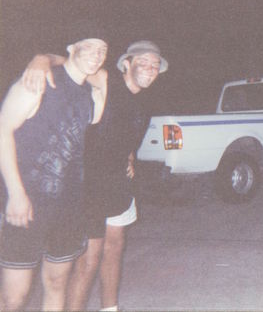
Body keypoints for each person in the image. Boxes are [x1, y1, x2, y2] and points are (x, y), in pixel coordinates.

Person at [23, 40, 168, 311]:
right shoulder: (106, 80)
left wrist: (129, 156)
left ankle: (109, 308)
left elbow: (126, 133)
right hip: (89, 185)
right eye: (144, 63)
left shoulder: (145, 102)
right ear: (127, 64)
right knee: (89, 261)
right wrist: (42, 58)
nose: (150, 69)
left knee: (114, 251)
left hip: (119, 185)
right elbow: (72, 62)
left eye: (155, 65)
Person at [0, 38, 108, 311]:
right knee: (13, 297)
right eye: (90, 46)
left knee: (57, 284)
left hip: (69, 207)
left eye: (103, 50)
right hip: (28, 204)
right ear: (71, 47)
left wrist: (46, 57)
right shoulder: (38, 82)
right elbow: (2, 131)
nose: (97, 55)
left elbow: (100, 77)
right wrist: (16, 194)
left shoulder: (90, 94)